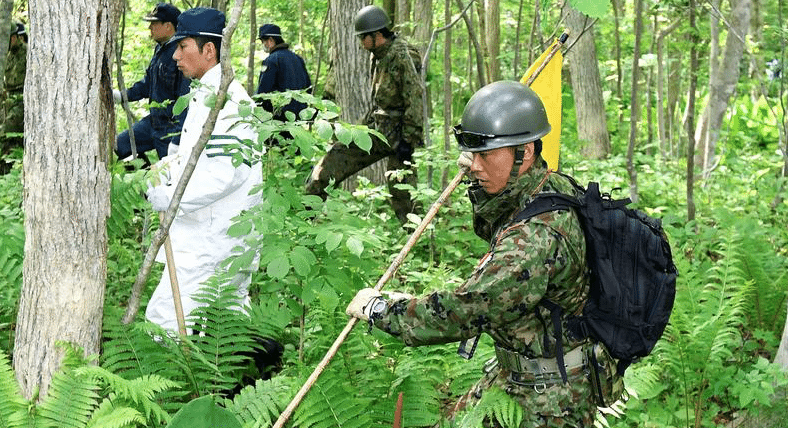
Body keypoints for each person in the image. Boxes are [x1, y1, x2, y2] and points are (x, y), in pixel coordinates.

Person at [346, 81, 624, 427]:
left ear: (525, 152)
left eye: (485, 156)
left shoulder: (535, 239)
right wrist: (483, 171)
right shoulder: (547, 186)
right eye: (471, 155)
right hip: (525, 368)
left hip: (552, 396)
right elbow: (497, 222)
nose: (474, 166)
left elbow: (468, 308)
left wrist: (383, 309)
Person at [144, 7, 263, 336]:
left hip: (213, 240)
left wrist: (168, 197)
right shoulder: (207, 96)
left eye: (183, 47)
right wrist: (164, 168)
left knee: (165, 321)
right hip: (212, 236)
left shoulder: (230, 103)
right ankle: (245, 383)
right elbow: (196, 155)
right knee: (225, 334)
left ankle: (171, 386)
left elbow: (224, 173)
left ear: (209, 50)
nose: (175, 57)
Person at [305, 5, 424, 224]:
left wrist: (409, 141)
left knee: (402, 192)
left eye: (363, 38)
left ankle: (421, 244)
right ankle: (304, 221)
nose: (360, 43)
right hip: (380, 126)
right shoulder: (378, 54)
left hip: (399, 134)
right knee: (330, 164)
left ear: (377, 35)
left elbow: (415, 98)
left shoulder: (401, 55)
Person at [113, 3, 191, 167]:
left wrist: (178, 138)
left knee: (169, 172)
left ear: (168, 26)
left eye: (154, 24)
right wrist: (122, 96)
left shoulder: (182, 53)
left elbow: (186, 99)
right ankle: (147, 185)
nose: (150, 28)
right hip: (154, 121)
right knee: (122, 144)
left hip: (171, 126)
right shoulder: (160, 49)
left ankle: (158, 187)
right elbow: (148, 82)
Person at [254, 23, 311, 122]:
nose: (263, 44)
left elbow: (263, 92)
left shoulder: (271, 60)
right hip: (298, 120)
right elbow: (308, 88)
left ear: (271, 40)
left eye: (263, 41)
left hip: (277, 120)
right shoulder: (298, 59)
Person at [0, 22, 27, 174]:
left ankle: (7, 173)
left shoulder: (28, 53)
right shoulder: (7, 57)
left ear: (15, 37)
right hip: (8, 99)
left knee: (7, 130)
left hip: (22, 100)